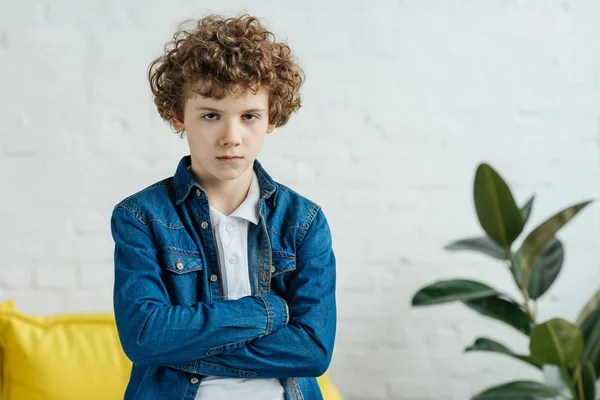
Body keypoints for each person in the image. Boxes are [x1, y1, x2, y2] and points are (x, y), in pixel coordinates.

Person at [110, 13, 337, 400]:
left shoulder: (303, 222)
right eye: (211, 115)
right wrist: (267, 313)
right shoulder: (142, 217)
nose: (231, 137)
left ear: (271, 119)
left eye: (249, 116)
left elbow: (313, 351)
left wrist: (181, 348)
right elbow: (145, 337)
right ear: (178, 116)